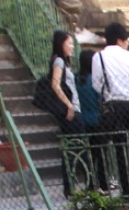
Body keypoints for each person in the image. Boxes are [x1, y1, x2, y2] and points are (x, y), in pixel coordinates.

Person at [91, 22, 129, 195]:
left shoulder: (98, 57)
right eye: (126, 40)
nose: (127, 43)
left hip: (112, 105)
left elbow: (96, 84)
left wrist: (110, 91)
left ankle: (125, 188)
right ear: (119, 40)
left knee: (119, 145)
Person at [49, 30, 83, 196]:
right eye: (69, 43)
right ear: (61, 43)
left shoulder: (63, 62)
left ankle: (71, 185)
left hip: (75, 108)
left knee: (74, 148)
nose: (71, 47)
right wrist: (69, 106)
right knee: (72, 148)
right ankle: (69, 187)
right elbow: (55, 85)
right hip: (71, 111)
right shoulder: (59, 62)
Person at [76, 49, 108, 191]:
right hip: (97, 121)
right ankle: (103, 183)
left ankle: (90, 183)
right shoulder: (94, 80)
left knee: (88, 154)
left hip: (82, 121)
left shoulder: (76, 80)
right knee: (101, 154)